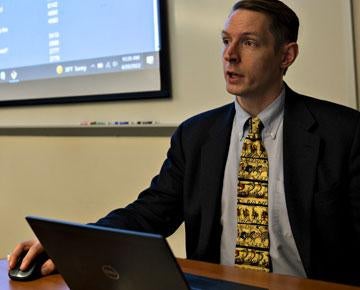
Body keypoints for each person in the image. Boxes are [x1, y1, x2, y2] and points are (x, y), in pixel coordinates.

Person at [8, 0, 360, 286]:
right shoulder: (196, 136)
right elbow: (149, 214)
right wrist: (71, 245)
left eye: (249, 43)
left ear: (287, 56)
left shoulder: (343, 133)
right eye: (226, 41)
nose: (230, 55)